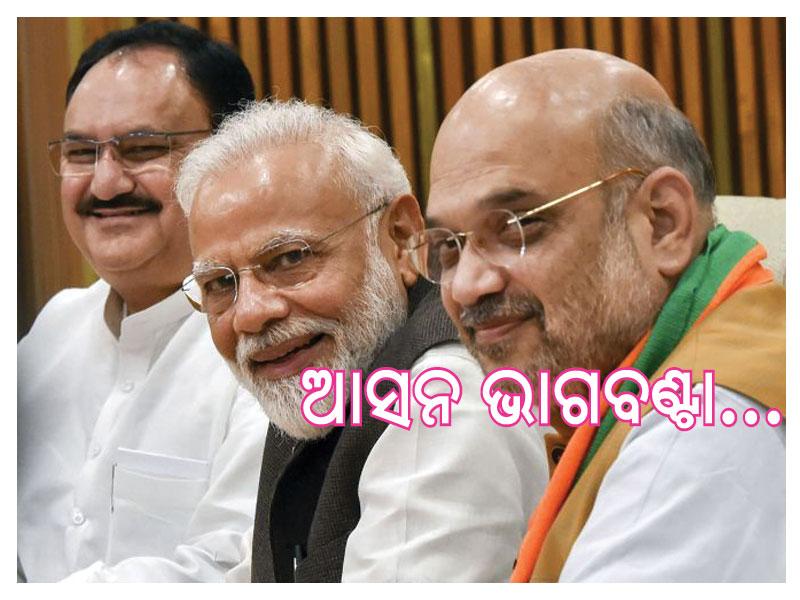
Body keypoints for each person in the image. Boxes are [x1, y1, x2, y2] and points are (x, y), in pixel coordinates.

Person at [418, 49, 785, 582]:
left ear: (663, 223)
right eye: (448, 246)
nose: (468, 285)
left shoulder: (698, 435)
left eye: (519, 225)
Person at [175, 98, 549, 582]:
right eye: (219, 284)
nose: (249, 314)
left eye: (290, 259)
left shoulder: (442, 400)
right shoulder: (332, 375)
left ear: (400, 236)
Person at [17, 21, 267, 582]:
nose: (105, 184)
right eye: (80, 152)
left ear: (232, 157)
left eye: (144, 148)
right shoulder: (54, 327)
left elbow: (235, 565)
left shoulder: (268, 338)